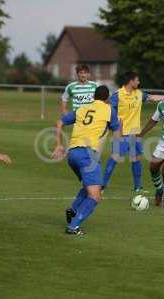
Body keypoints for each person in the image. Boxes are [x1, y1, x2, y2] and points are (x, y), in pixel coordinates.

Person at [52, 85, 120, 235]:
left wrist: (58, 145)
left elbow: (60, 122)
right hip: (87, 156)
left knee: (90, 186)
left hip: (72, 154)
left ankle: (73, 209)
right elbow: (117, 132)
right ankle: (73, 226)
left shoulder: (82, 109)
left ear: (94, 97)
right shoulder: (109, 110)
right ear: (107, 98)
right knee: (95, 195)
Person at [103, 71, 164, 193]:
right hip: (122, 135)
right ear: (131, 81)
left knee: (136, 159)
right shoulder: (117, 95)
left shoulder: (139, 93)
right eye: (137, 80)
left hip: (135, 135)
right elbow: (107, 109)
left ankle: (138, 187)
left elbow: (152, 97)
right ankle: (102, 186)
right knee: (114, 159)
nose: (139, 82)